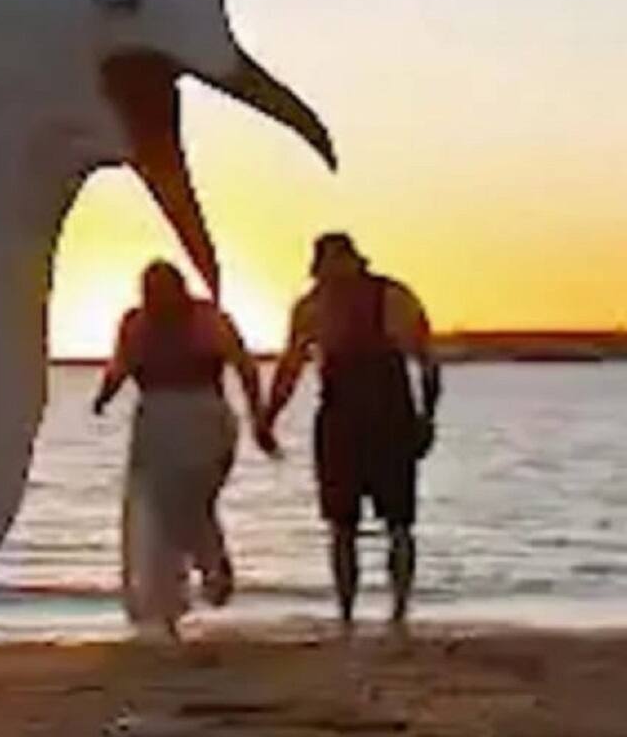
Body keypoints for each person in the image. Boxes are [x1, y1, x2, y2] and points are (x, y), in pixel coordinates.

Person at [262, 233, 441, 630]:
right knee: (343, 524)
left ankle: (397, 608)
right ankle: (348, 610)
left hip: (384, 413)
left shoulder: (391, 297)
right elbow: (291, 366)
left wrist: (427, 417)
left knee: (397, 522)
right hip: (347, 414)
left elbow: (427, 360)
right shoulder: (314, 306)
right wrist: (269, 417)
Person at [93, 260, 275, 641]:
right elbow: (121, 366)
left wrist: (259, 417)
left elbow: (244, 367)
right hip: (161, 420)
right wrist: (104, 396)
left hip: (201, 417)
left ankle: (211, 564)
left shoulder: (207, 319)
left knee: (185, 503)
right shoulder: (138, 323)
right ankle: (172, 605)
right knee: (159, 512)